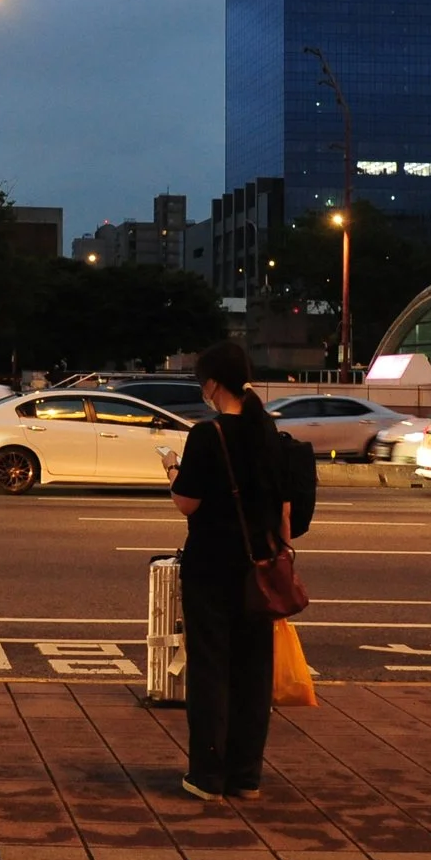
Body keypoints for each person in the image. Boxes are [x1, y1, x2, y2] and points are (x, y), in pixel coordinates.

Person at [165, 340, 288, 802]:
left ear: (213, 384)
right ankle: (246, 776)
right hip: (260, 568)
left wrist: (172, 471)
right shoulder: (267, 434)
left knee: (211, 668)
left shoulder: (207, 435)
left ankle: (207, 775)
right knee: (254, 671)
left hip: (211, 567)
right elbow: (285, 515)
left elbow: (186, 502)